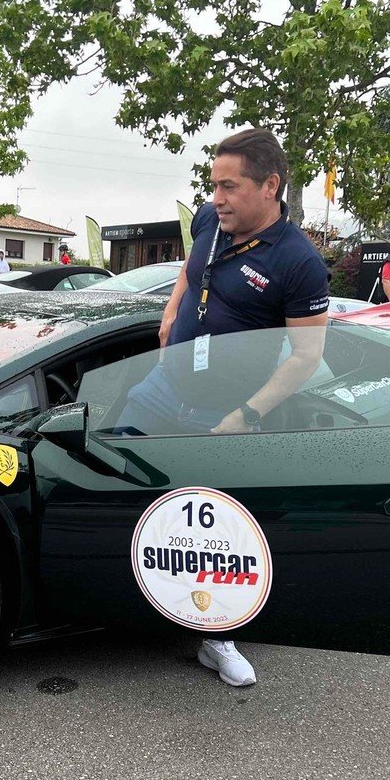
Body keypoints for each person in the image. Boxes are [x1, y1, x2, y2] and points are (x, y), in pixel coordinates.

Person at [117, 126, 330, 689]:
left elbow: (306, 357)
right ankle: (123, 597)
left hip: (226, 412)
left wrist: (247, 416)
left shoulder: (298, 262)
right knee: (113, 471)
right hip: (166, 386)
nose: (216, 198)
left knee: (210, 532)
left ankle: (218, 637)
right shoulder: (212, 220)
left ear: (270, 187)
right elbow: (192, 269)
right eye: (213, 184)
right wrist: (171, 310)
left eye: (229, 186)